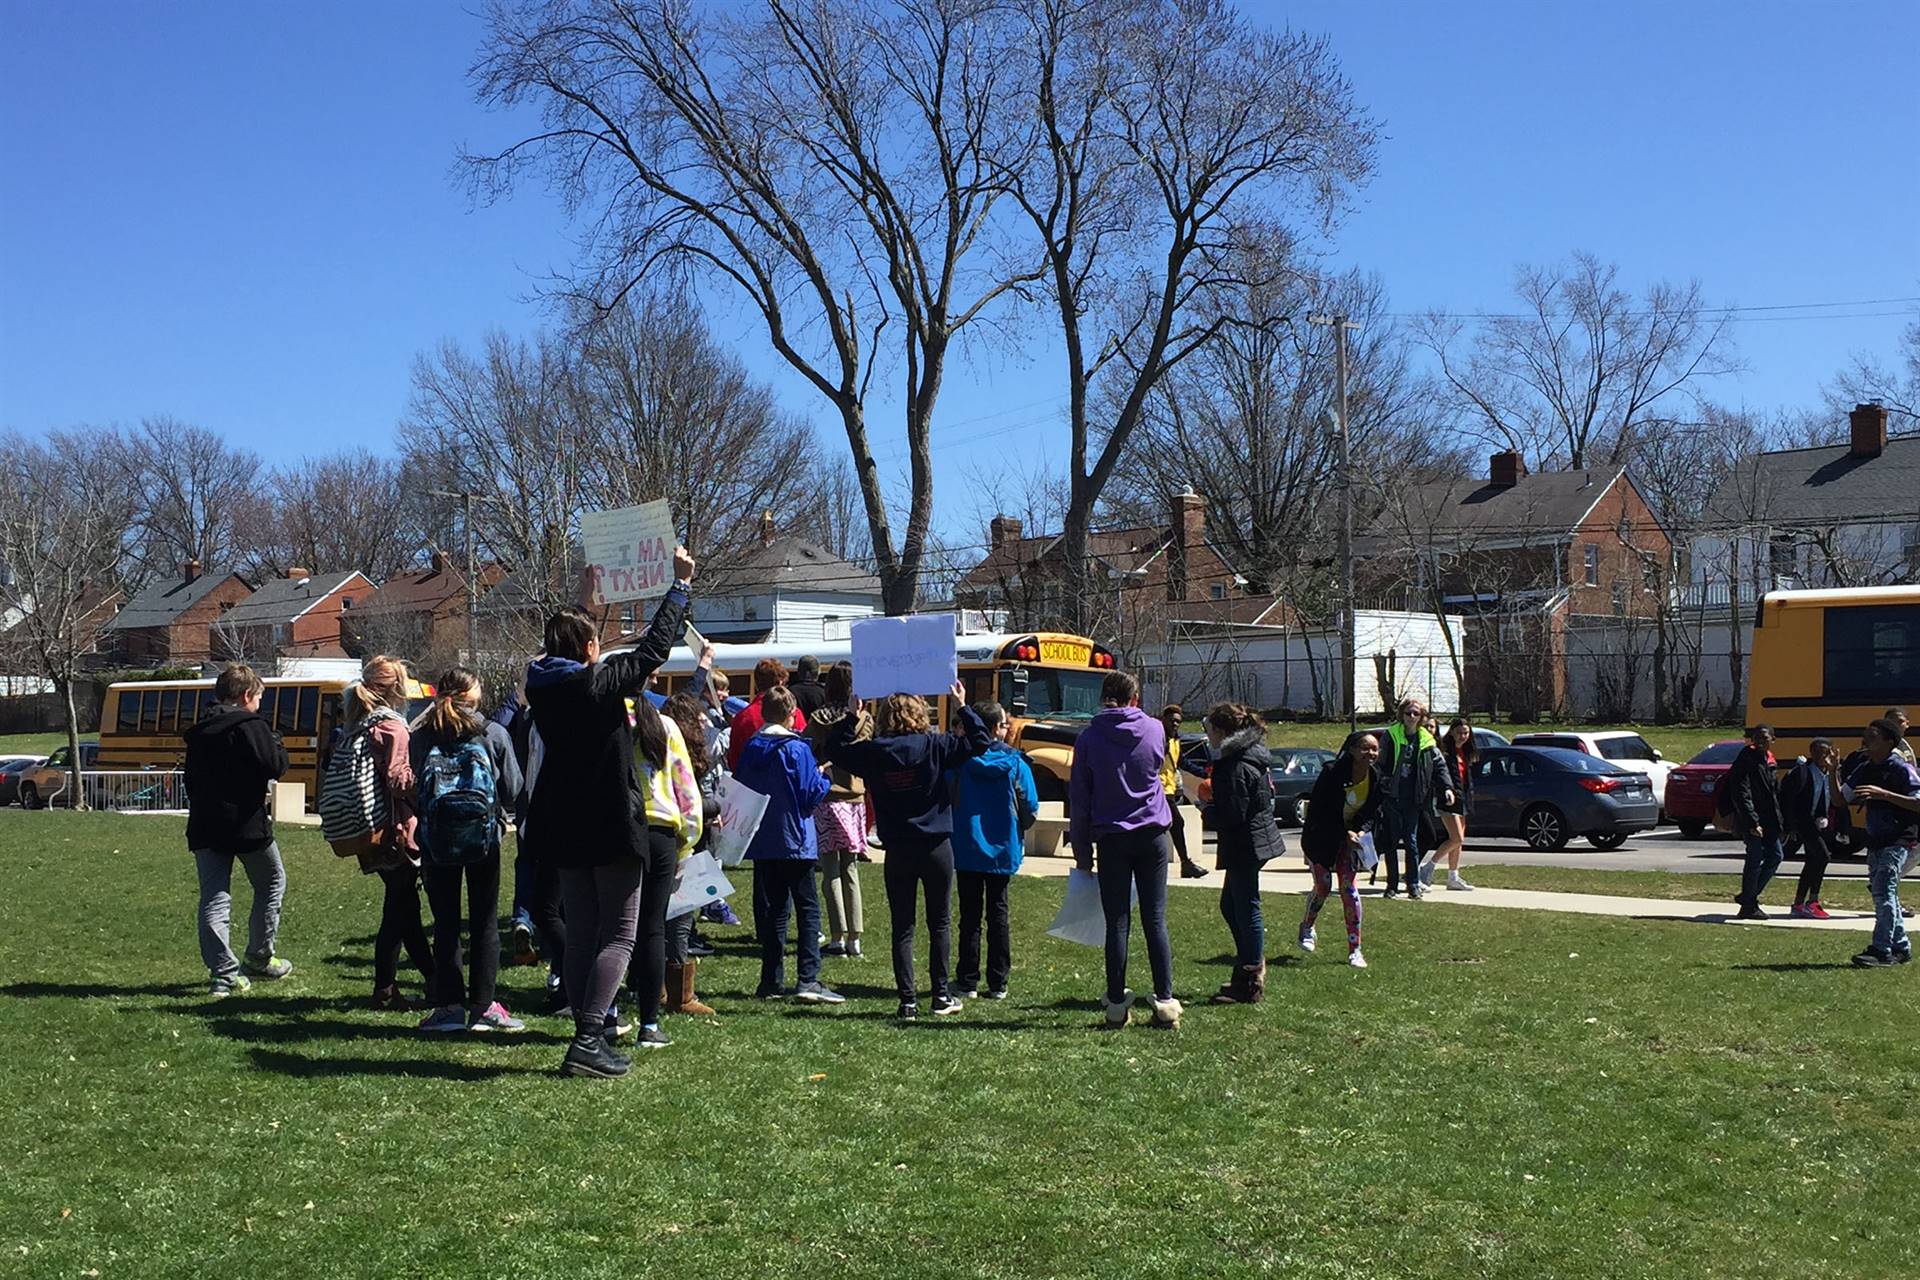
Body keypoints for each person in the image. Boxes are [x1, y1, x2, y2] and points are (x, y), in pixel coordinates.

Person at [524, 547, 694, 1079]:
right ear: (592, 649)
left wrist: (584, 598)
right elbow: (653, 651)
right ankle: (589, 1036)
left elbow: (569, 648)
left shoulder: (543, 685)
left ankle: (586, 1033)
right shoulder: (598, 684)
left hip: (565, 824)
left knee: (582, 933)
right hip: (611, 823)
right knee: (621, 934)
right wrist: (680, 588)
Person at [824, 681, 988, 1021]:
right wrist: (962, 706)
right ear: (919, 714)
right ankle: (941, 994)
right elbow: (981, 743)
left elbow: (834, 750)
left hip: (897, 846)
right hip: (936, 844)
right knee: (939, 922)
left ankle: (907, 1001)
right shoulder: (936, 745)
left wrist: (851, 718)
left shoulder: (876, 750)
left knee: (903, 926)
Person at [411, 668, 525, 1033]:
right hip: (483, 838)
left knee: (445, 924)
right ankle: (483, 1006)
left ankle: (448, 1007)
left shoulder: (424, 735)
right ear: (473, 696)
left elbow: (415, 784)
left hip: (437, 841)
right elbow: (513, 787)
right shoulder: (491, 732)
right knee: (484, 921)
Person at [1069, 671, 1181, 1030]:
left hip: (1111, 835)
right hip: (1152, 833)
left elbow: (1081, 799)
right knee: (1155, 918)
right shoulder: (1154, 729)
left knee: (1117, 922)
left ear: (1103, 698)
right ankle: (1165, 1000)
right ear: (1135, 699)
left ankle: (1116, 1003)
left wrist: (1082, 851)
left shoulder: (1088, 738)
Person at [183, 663, 292, 997]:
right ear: (247, 695)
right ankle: (259, 955)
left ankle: (223, 973)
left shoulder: (200, 731)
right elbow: (274, 765)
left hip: (205, 823)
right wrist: (277, 744)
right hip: (247, 825)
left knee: (215, 898)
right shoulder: (251, 724)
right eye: (258, 697)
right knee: (272, 881)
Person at [337, 655, 434, 1010]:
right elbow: (397, 779)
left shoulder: (357, 723)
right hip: (395, 830)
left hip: (369, 828)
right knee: (398, 911)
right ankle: (386, 989)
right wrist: (425, 776)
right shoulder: (392, 726)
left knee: (403, 908)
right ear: (395, 688)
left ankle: (429, 979)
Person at [734, 685, 841, 1003]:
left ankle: (771, 981)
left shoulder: (753, 746)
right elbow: (809, 795)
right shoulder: (796, 749)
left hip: (764, 837)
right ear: (792, 714)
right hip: (795, 837)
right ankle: (808, 978)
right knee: (808, 908)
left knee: (775, 911)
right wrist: (824, 778)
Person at [617, 687, 706, 1036]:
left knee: (616, 926)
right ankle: (650, 1024)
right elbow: (685, 785)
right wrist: (690, 836)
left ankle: (610, 1009)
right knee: (653, 927)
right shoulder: (664, 724)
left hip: (621, 827)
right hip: (662, 830)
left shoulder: (609, 722)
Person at [949, 700, 1039, 1001]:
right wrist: (1019, 827)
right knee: (998, 913)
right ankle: (998, 982)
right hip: (1003, 846)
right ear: (993, 730)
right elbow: (1030, 806)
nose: (1008, 728)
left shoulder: (960, 762)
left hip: (967, 845)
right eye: (1003, 724)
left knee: (969, 916)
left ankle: (968, 980)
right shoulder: (1016, 763)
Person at [1202, 702, 1284, 1004]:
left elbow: (1233, 813)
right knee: (1230, 905)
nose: (1207, 735)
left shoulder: (1234, 765)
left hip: (1246, 843)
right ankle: (1248, 960)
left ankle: (1250, 979)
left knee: (1247, 906)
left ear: (1222, 731)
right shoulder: (1247, 755)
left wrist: (1206, 810)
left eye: (1209, 729)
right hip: (1252, 841)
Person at [1299, 731, 1385, 968]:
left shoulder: (1376, 778)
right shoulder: (1332, 773)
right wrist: (1342, 832)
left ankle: (1355, 950)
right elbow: (1319, 811)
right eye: (1366, 748)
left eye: (1375, 749)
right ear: (1353, 750)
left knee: (1349, 889)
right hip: (1321, 839)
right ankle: (1307, 926)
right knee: (1324, 885)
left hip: (1350, 841)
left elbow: (1371, 813)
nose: (1371, 753)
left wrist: (1360, 831)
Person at [803, 661, 869, 958]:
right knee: (850, 868)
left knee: (830, 869)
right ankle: (855, 937)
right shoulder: (865, 718)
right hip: (855, 797)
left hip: (828, 797)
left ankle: (837, 937)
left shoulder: (818, 718)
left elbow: (808, 746)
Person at [1843, 718, 1920, 966]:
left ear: (1889, 741)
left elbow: (1918, 802)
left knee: (1883, 891)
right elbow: (1840, 799)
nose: (1867, 740)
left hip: (1899, 840)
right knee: (1882, 895)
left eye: (1873, 736)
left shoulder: (1901, 769)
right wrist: (1833, 770)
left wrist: (1883, 794)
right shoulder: (1865, 767)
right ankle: (1901, 947)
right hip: (1875, 840)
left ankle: (1881, 949)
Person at [662, 692, 721, 1014]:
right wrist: (716, 806)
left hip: (669, 841)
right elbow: (693, 802)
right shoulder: (683, 754)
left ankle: (657, 987)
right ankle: (681, 995)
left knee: (658, 919)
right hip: (684, 843)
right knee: (680, 921)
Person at [1375, 697, 1450, 899]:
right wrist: (1381, 785)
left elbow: (1440, 766)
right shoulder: (1391, 735)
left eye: (1416, 714)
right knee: (1391, 843)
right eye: (1408, 713)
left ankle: (1413, 885)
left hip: (1415, 798)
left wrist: (1447, 788)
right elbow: (1379, 764)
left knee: (1411, 841)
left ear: (1422, 717)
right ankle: (1391, 886)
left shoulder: (1426, 739)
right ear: (1402, 714)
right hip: (1392, 796)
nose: (1412, 717)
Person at [1726, 723, 1784, 920]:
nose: (1759, 742)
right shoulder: (1746, 758)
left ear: (1773, 740)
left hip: (1770, 819)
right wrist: (1752, 822)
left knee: (1776, 856)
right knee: (1754, 859)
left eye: (1764, 738)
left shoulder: (1770, 760)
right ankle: (1749, 905)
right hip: (1752, 819)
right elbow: (1742, 792)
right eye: (1756, 738)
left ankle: (1748, 897)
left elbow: (1774, 793)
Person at [1783, 738, 1840, 920]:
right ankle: (1812, 900)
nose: (1821, 756)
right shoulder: (1802, 772)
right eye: (1817, 751)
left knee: (1812, 860)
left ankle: (1799, 903)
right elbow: (1787, 799)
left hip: (1820, 823)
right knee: (1823, 856)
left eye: (1825, 752)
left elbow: (1838, 799)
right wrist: (1789, 825)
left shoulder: (1830, 774)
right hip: (1803, 822)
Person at [1421, 718, 1476, 892]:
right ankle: (1428, 866)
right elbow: (1440, 775)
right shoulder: (1444, 751)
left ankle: (1453, 877)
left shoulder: (1465, 752)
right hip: (1447, 799)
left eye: (1466, 733)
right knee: (1456, 838)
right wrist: (1446, 791)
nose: (1462, 736)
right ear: (1451, 732)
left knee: (1459, 842)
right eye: (1459, 732)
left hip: (1462, 798)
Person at [726, 658, 808, 771]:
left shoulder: (742, 717)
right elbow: (803, 752)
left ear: (756, 684)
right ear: (780, 683)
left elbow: (734, 760)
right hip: (786, 781)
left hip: (750, 783)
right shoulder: (793, 713)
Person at [1159, 705, 1207, 880]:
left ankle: (1185, 865)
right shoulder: (1157, 739)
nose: (1175, 724)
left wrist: (1205, 773)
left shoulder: (1175, 740)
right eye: (1172, 720)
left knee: (1170, 825)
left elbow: (1183, 763)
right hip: (1157, 790)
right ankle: (1185, 864)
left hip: (1169, 789)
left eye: (1178, 721)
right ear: (1163, 720)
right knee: (1176, 823)